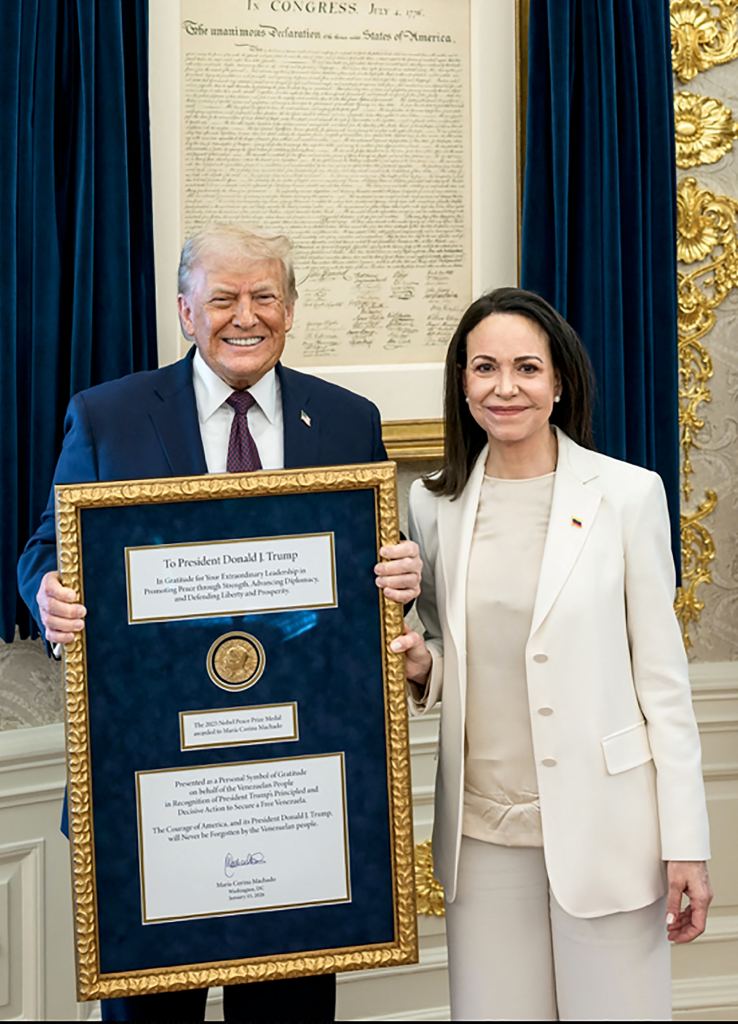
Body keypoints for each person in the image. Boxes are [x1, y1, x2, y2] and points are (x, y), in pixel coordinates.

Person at [17, 223, 421, 1023]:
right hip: (151, 772)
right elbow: (45, 548)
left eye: (265, 297)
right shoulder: (109, 415)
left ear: (291, 309)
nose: (247, 316)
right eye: (225, 298)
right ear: (185, 311)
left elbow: (364, 576)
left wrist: (401, 578)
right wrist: (48, 591)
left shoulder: (346, 419)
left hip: (300, 773)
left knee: (289, 1006)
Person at [391, 287, 712, 1021]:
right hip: (481, 835)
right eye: (484, 369)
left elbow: (663, 684)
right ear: (462, 383)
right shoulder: (433, 506)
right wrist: (422, 666)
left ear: (560, 382)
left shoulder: (628, 496)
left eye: (527, 368)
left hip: (610, 831)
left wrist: (686, 844)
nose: (505, 388)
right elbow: (445, 641)